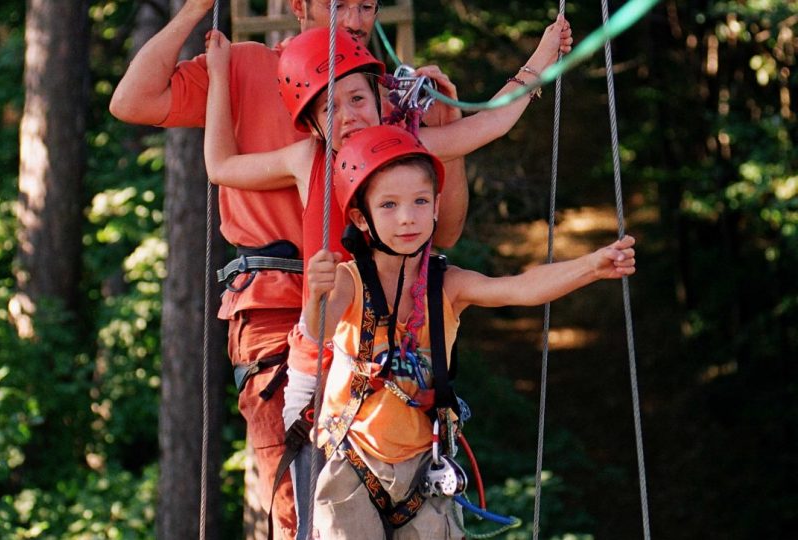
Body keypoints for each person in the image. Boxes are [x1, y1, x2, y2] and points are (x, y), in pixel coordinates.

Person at [108, 1, 470, 537]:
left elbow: (441, 234)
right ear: (299, 5)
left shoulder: (378, 97)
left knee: (388, 503)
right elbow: (132, 101)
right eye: (338, 4)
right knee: (298, 497)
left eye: (366, 5)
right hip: (277, 310)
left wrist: (448, 135)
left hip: (370, 320)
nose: (355, 18)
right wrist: (194, 12)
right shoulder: (249, 67)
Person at [203, 17, 572, 536]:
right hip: (331, 348)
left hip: (389, 350)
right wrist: (219, 76)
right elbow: (221, 165)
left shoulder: (398, 151)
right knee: (300, 510)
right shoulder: (306, 157)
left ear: (379, 97)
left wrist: (543, 53)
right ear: (311, 124)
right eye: (330, 108)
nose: (349, 116)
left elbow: (490, 122)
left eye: (357, 99)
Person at [301, 124, 636, 539]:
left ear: (437, 207)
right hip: (354, 464)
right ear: (360, 217)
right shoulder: (350, 281)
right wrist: (316, 293)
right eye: (388, 205)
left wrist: (592, 266)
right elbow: (317, 329)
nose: (407, 217)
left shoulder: (448, 284)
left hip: (424, 469)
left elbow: (517, 288)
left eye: (420, 201)